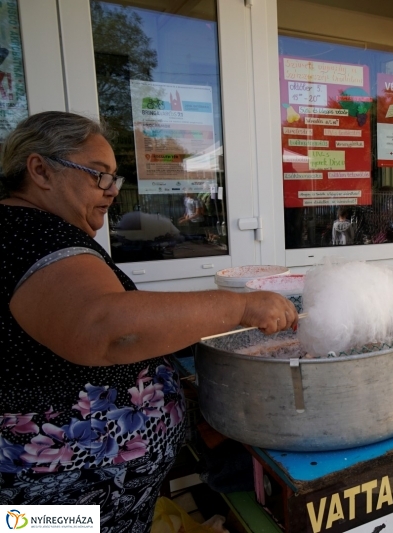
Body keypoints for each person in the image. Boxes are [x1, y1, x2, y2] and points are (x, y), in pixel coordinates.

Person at [0, 112, 297, 529]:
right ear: (40, 170)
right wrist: (241, 308)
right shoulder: (32, 234)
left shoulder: (30, 231)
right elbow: (107, 331)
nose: (111, 191)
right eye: (99, 175)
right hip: (52, 499)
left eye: (114, 178)